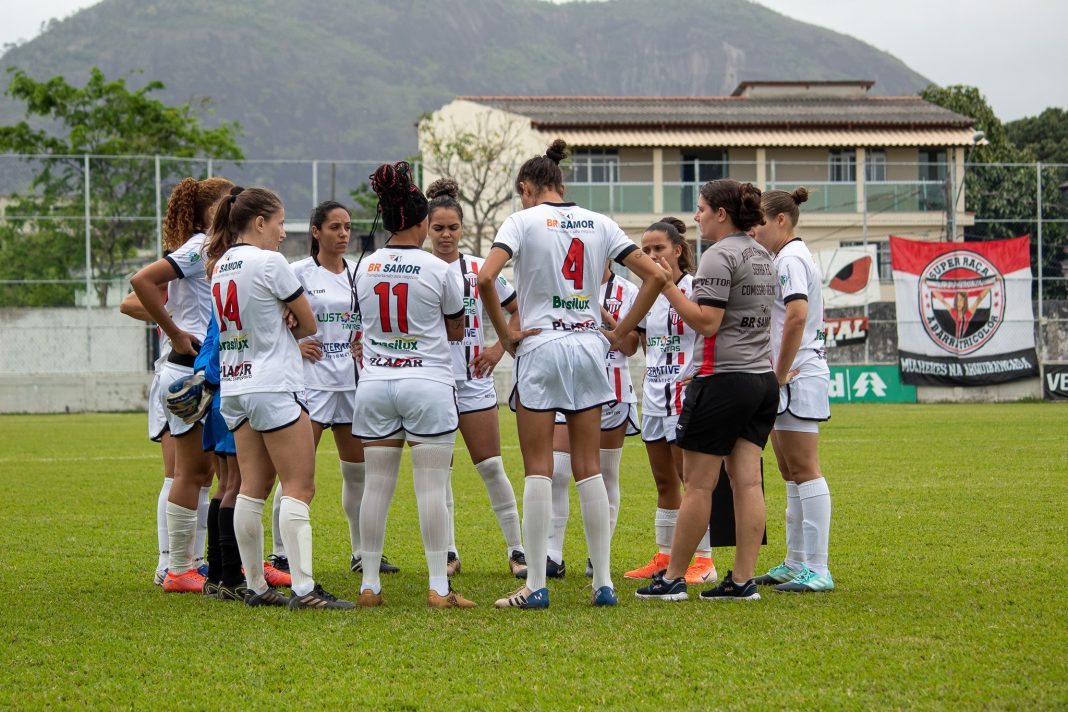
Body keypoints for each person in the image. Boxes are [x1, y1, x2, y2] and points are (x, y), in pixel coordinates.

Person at [478, 139, 667, 609]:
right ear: (561, 185)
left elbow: (485, 278)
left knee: (539, 468)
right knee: (589, 468)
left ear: (527, 188)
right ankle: (603, 583)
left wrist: (505, 335)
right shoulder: (600, 222)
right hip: (587, 346)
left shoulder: (521, 221)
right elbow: (657, 277)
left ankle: (535, 584)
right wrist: (617, 331)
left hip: (541, 346)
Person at [207, 185, 353, 609]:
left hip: (236, 385)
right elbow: (309, 325)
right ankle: (304, 590)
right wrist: (290, 318)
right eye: (279, 223)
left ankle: (255, 586)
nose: (283, 233)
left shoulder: (221, 264)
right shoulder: (270, 262)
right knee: (299, 487)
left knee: (251, 488)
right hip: (273, 384)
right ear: (259, 222)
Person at [636, 179, 777, 602]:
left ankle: (674, 578)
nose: (696, 216)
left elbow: (707, 322)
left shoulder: (719, 254)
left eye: (701, 208)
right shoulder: (762, 253)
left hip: (723, 380)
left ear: (721, 213)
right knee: (747, 483)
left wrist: (666, 286)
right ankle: (742, 580)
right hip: (760, 380)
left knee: (697, 485)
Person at [351, 162, 476, 609]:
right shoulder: (439, 268)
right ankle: (439, 587)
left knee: (376, 486)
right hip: (427, 383)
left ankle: (369, 585)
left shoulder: (364, 266)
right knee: (431, 488)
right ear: (422, 222)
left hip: (375, 384)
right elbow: (456, 329)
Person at [130, 176, 233, 593]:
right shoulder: (200, 247)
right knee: (188, 473)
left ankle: (189, 563)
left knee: (203, 473)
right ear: (210, 211)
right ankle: (175, 567)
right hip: (187, 371)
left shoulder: (219, 249)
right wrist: (173, 332)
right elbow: (141, 282)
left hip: (205, 368)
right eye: (229, 202)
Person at [291, 200, 400, 577]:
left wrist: (365, 343)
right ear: (316, 231)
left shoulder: (359, 272)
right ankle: (281, 555)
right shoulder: (298, 273)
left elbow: (371, 320)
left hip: (351, 384)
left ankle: (362, 552)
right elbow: (270, 319)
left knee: (357, 473)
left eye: (347, 227)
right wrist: (294, 346)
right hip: (312, 384)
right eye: (334, 227)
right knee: (296, 474)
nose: (343, 234)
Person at [424, 179, 527, 579]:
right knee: (440, 473)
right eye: (438, 228)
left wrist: (499, 348)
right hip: (432, 383)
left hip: (473, 381)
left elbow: (517, 310)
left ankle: (517, 550)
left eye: (452, 227)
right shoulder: (420, 270)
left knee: (491, 466)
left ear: (463, 228)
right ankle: (448, 551)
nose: (446, 235)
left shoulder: (480, 270)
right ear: (427, 228)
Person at [750, 187, 835, 593]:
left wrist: (779, 374)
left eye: (760, 222)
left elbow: (797, 316)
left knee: (804, 468)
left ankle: (818, 568)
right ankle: (796, 561)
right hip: (789, 375)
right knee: (789, 471)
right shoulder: (785, 257)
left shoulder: (790, 258)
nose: (754, 230)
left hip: (798, 374)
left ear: (780, 220)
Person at [623, 218, 717, 585]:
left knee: (691, 481)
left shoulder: (695, 287)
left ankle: (703, 560)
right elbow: (640, 344)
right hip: (654, 396)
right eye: (645, 250)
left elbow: (712, 330)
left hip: (685, 396)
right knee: (664, 482)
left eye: (658, 248)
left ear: (677, 250)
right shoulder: (644, 294)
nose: (651, 255)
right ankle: (664, 555)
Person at [546, 261, 640, 579]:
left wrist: (601, 313)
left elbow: (629, 346)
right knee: (558, 471)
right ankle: (552, 555)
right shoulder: (563, 286)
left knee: (604, 474)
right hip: (568, 387)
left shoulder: (627, 291)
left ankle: (597, 556)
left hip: (613, 392)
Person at [119, 281, 175, 585]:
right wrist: (168, 314)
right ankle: (166, 562)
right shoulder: (180, 269)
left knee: (203, 479)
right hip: (174, 376)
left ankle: (194, 560)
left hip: (208, 376)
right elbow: (128, 303)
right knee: (177, 475)